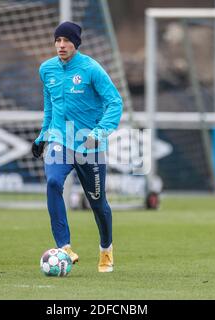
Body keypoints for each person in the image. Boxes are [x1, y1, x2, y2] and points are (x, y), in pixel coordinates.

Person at [32, 21, 123, 272]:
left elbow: (115, 103)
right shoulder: (46, 70)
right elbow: (50, 108)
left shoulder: (91, 69)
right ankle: (64, 247)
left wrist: (100, 132)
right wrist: (43, 136)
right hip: (59, 141)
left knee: (97, 203)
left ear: (76, 43)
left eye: (66, 41)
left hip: (89, 146)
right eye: (58, 40)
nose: (61, 45)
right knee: (52, 183)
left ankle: (106, 249)